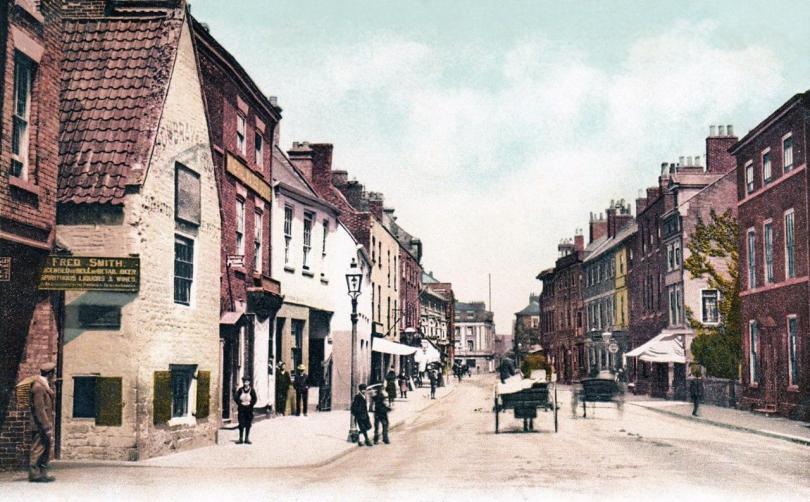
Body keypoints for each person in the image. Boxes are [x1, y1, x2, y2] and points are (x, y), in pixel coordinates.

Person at [29, 362, 56, 482]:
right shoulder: (38, 387)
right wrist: (46, 426)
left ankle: (42, 473)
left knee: (46, 448)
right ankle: (34, 474)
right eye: (53, 373)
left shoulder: (45, 386)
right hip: (40, 425)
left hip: (45, 424)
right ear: (50, 373)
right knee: (38, 448)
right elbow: (39, 409)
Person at [234, 376, 257, 444]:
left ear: (249, 382)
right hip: (242, 409)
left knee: (248, 424)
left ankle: (246, 438)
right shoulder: (240, 390)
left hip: (249, 409)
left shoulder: (252, 390)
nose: (246, 383)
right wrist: (240, 403)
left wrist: (250, 404)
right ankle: (240, 438)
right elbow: (236, 397)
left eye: (247, 381)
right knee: (241, 423)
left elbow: (255, 399)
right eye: (244, 382)